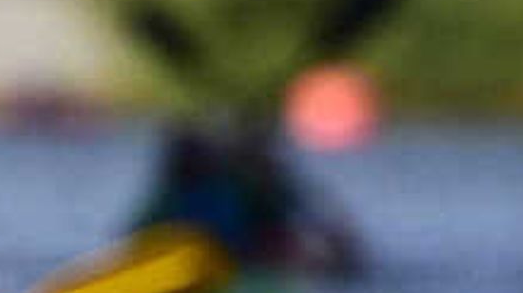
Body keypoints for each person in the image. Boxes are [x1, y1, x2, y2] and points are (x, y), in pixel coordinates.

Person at [130, 106, 362, 278]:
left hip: (244, 262)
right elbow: (139, 234)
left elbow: (302, 221)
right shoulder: (183, 193)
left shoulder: (256, 188)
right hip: (201, 262)